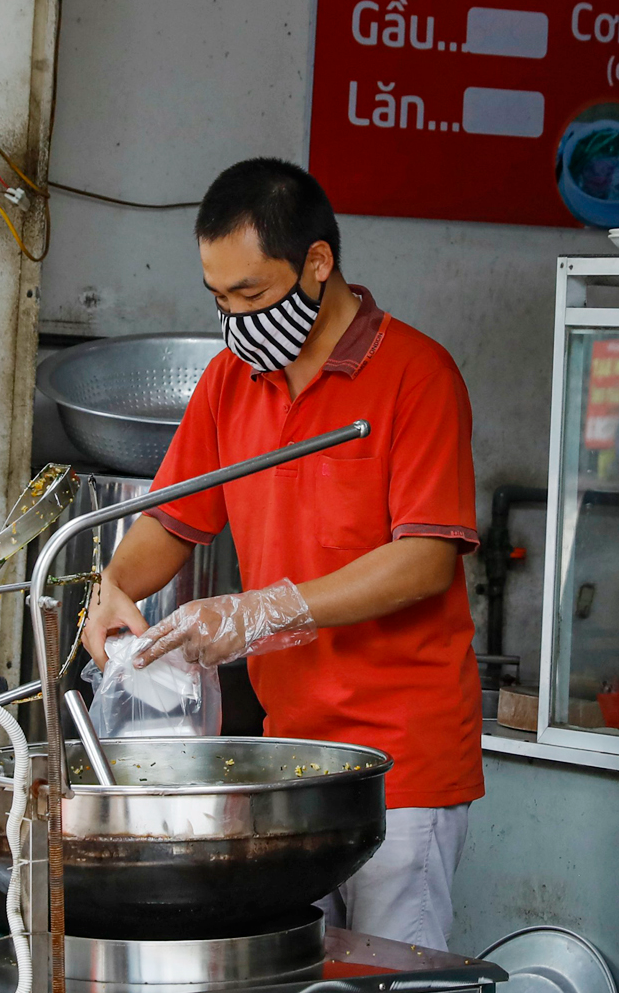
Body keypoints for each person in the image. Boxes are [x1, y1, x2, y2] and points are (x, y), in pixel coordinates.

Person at [80, 158, 483, 952]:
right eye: (219, 298)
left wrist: (265, 608)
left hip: (401, 767)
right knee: (286, 967)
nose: (236, 318)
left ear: (319, 263)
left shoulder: (417, 375)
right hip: (288, 757)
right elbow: (172, 520)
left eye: (254, 295)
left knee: (391, 974)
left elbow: (426, 559)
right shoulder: (233, 378)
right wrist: (113, 587)